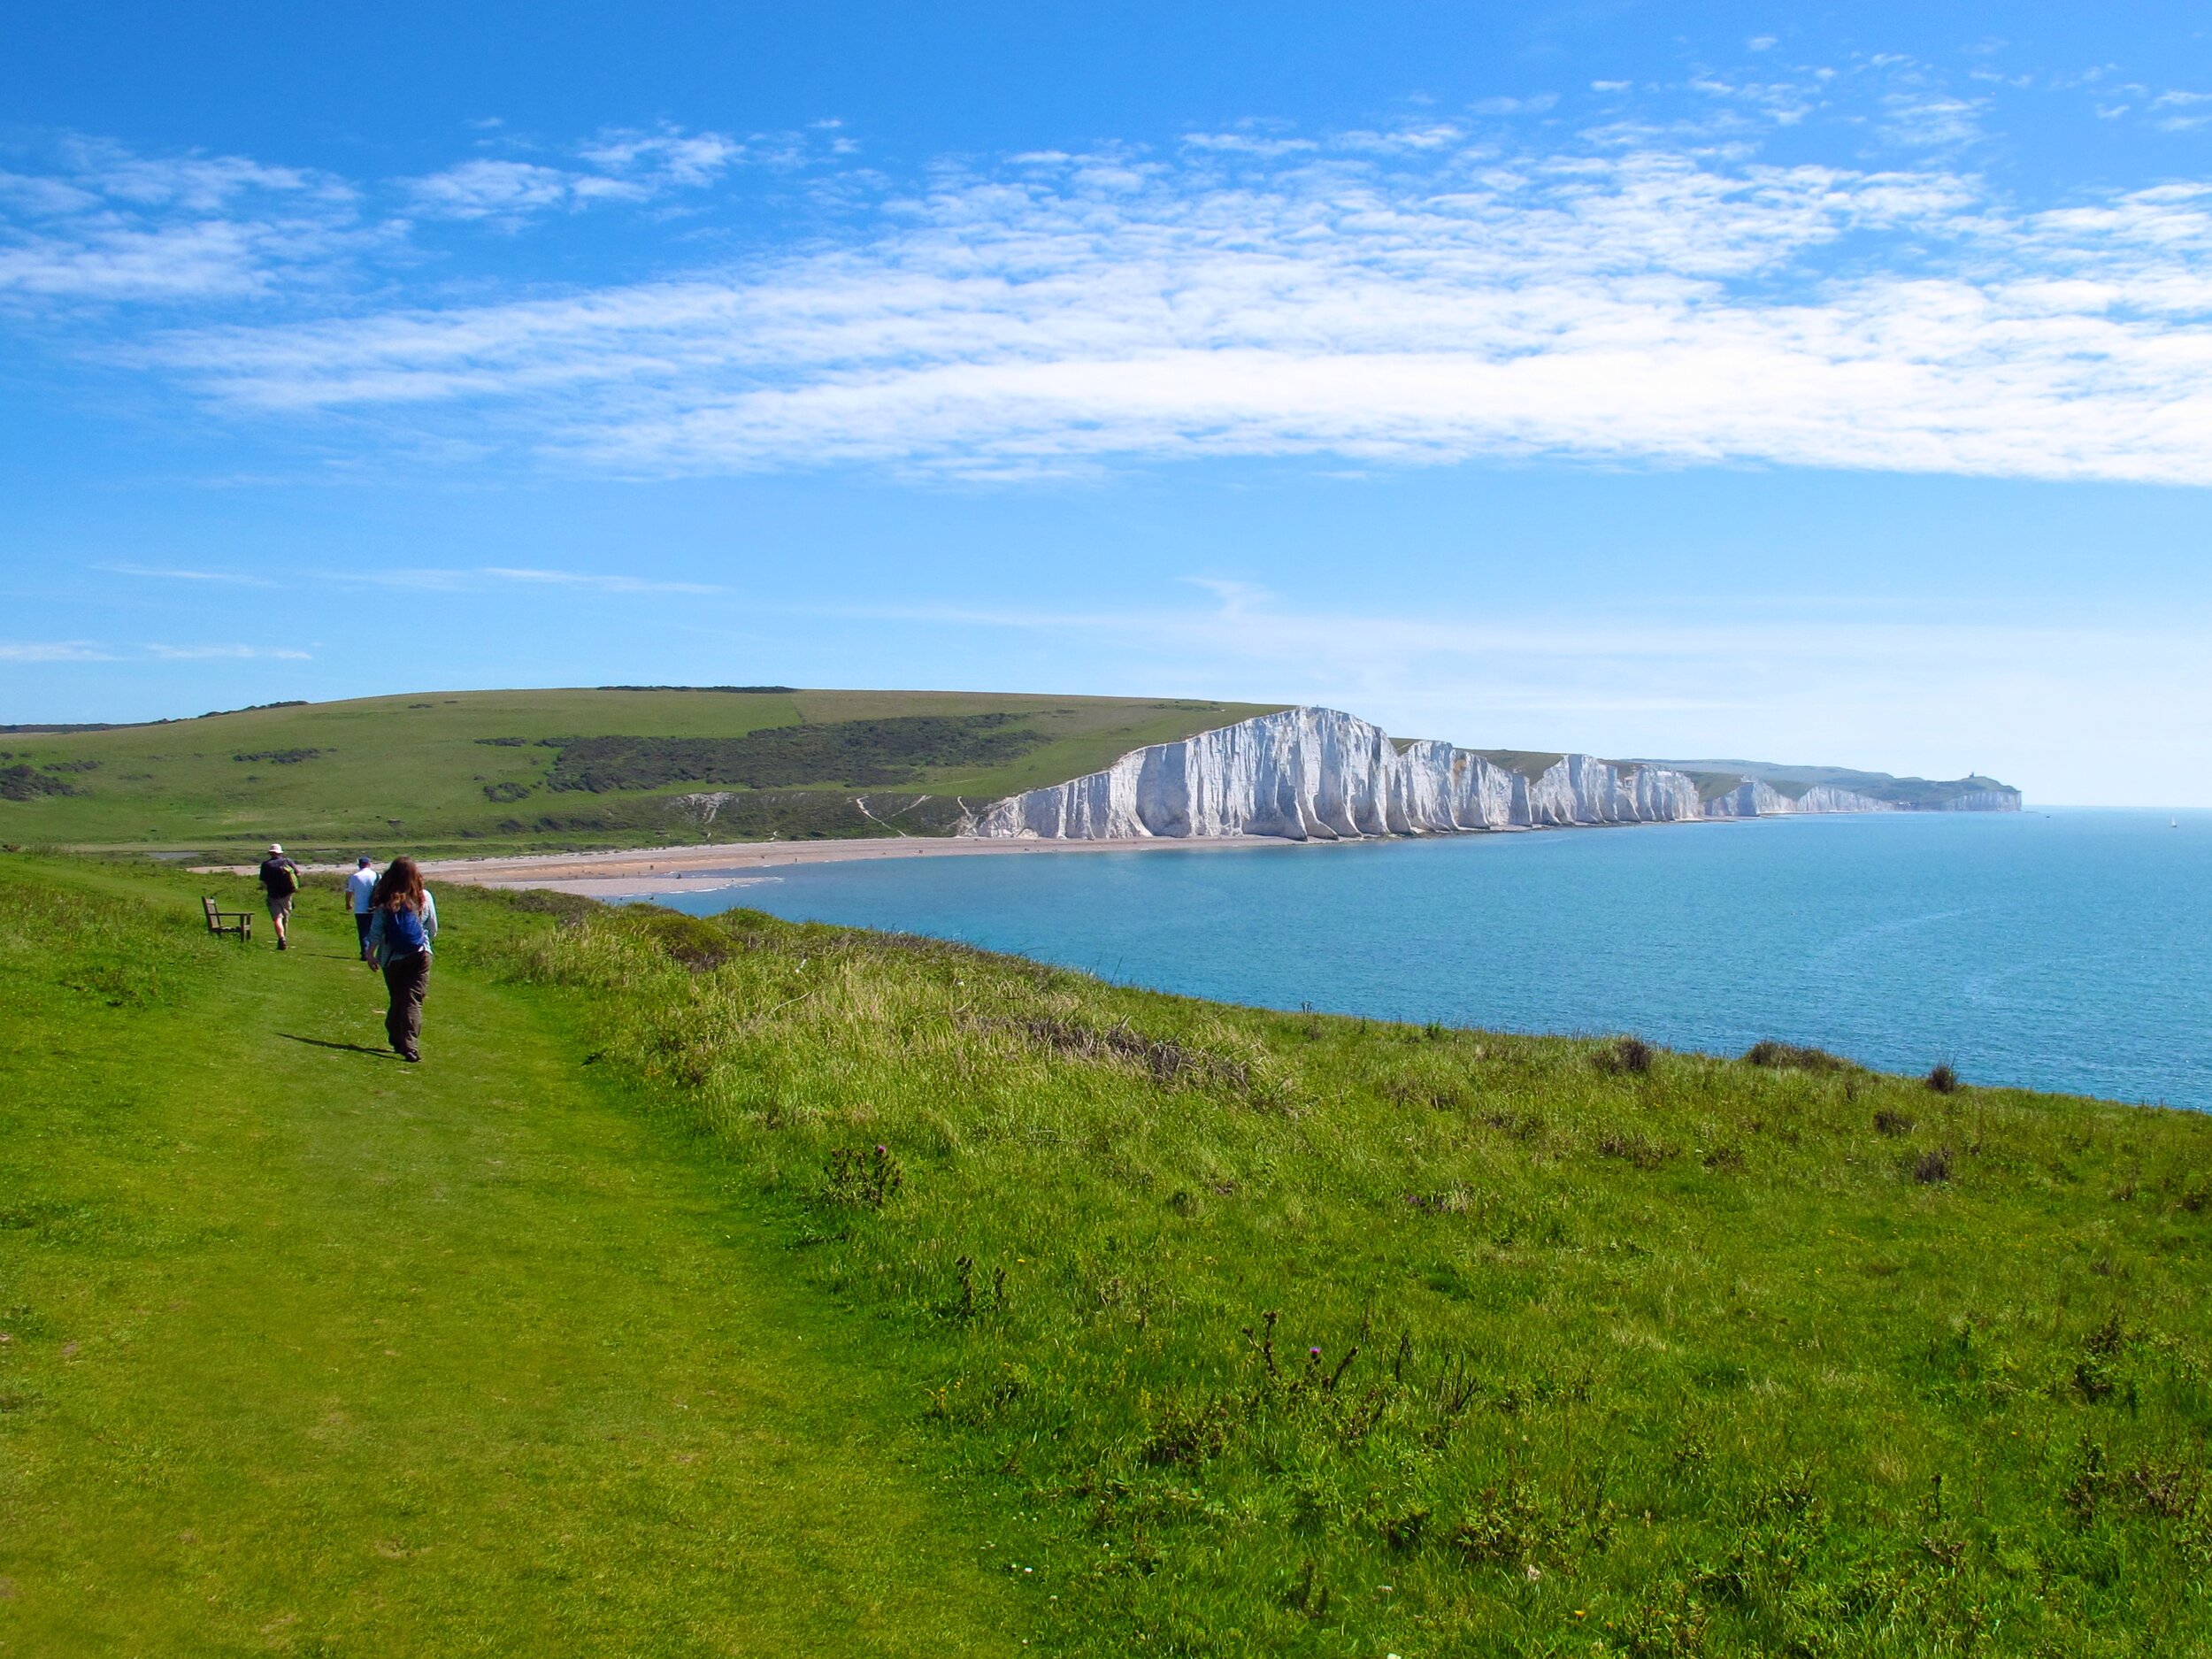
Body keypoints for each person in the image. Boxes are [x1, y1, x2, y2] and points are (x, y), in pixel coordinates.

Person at [365, 856, 438, 1063]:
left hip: (392, 956)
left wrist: (370, 953)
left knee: (398, 998)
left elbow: (376, 930)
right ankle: (409, 1045)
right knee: (413, 999)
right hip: (421, 953)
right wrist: (424, 941)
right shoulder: (424, 896)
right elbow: (433, 928)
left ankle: (399, 1038)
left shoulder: (386, 899)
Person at [257, 842, 302, 951]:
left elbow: (263, 880)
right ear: (280, 853)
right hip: (287, 894)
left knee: (277, 918)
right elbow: (298, 873)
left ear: (270, 853)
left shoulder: (266, 865)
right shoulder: (287, 861)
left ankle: (281, 938)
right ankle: (283, 938)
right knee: (286, 918)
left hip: (273, 894)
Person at [345, 856, 379, 961]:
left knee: (363, 932)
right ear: (369, 864)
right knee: (374, 931)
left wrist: (348, 903)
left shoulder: (355, 877)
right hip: (374, 907)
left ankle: (365, 952)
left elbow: (349, 891)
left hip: (360, 908)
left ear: (359, 864)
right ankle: (373, 952)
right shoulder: (376, 876)